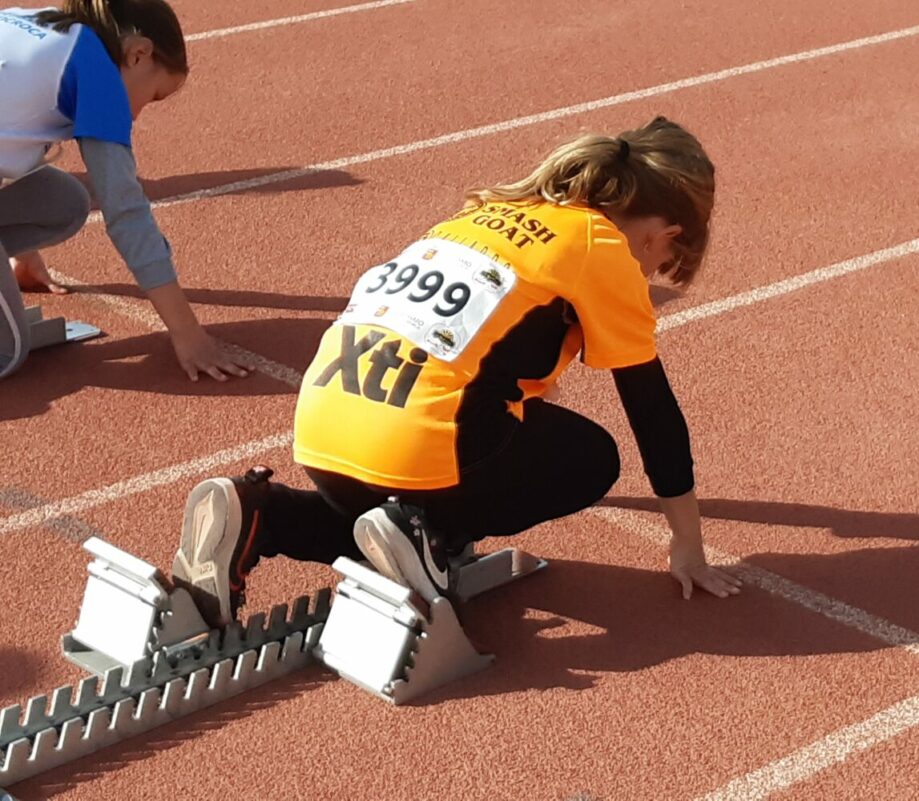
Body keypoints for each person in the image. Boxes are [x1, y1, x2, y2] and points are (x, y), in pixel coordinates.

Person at [171, 116, 742, 628]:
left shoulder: (487, 213)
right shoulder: (600, 247)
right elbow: (653, 412)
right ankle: (427, 536)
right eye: (660, 265)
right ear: (660, 235)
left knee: (392, 501)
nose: (649, 278)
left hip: (322, 437)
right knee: (592, 457)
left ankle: (261, 514)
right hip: (421, 447)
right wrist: (687, 545)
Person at [0, 1, 253, 380]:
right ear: (139, 54)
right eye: (153, 96)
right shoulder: (98, 75)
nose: (136, 115)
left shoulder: (37, 22)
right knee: (9, 352)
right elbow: (127, 213)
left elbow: (13, 134)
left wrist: (23, 253)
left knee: (64, 203)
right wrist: (188, 333)